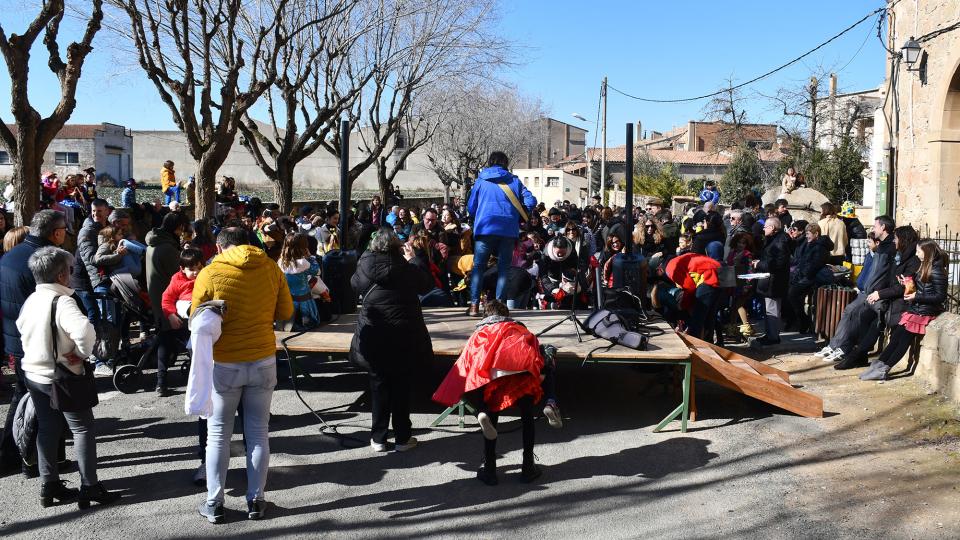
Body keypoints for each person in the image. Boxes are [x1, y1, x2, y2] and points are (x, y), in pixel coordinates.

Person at [191, 227, 293, 523]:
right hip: (262, 358)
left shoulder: (211, 273)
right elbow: (285, 310)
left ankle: (214, 502)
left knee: (218, 436)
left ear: (220, 248)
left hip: (225, 362)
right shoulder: (271, 268)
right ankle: (256, 499)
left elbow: (196, 317)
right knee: (258, 433)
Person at [18, 246, 119, 509]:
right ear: (62, 275)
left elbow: (21, 328)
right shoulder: (62, 301)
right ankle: (90, 485)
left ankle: (49, 484)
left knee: (48, 428)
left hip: (34, 373)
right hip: (62, 375)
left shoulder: (32, 299)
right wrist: (81, 353)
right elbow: (85, 331)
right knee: (83, 428)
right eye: (71, 270)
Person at [432, 299, 549, 485]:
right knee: (527, 417)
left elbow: (467, 362)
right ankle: (528, 466)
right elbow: (535, 349)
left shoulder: (480, 333)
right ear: (506, 314)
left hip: (493, 378)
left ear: (485, 316)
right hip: (521, 375)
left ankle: (490, 468)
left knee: (489, 409)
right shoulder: (518, 328)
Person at [350, 228, 433, 453]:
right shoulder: (406, 267)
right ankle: (402, 438)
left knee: (378, 387)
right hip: (404, 335)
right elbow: (427, 284)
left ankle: (378, 438)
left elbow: (354, 286)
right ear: (397, 246)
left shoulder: (365, 263)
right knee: (401, 388)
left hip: (375, 334)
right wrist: (414, 259)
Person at [0, 210, 68, 475]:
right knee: (44, 406)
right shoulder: (46, 260)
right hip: (37, 343)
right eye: (63, 229)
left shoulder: (11, 256)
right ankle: (31, 459)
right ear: (55, 232)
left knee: (23, 399)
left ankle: (16, 454)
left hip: (15, 340)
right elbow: (53, 304)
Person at [860, 239, 947, 381]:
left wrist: (916, 296)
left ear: (927, 252)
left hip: (924, 312)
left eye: (919, 251)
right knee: (895, 339)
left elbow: (940, 296)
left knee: (903, 341)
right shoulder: (924, 266)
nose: (917, 253)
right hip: (915, 309)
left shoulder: (937, 270)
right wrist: (907, 284)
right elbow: (921, 287)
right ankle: (879, 365)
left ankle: (885, 369)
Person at [817, 216, 897, 363]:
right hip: (868, 292)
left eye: (875, 226)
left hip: (877, 294)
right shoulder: (881, 249)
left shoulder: (889, 249)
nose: (873, 228)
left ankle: (845, 349)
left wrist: (877, 291)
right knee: (851, 312)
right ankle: (838, 346)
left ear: (883, 228)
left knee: (857, 316)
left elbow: (884, 274)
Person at [466, 151, 536, 317]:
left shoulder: (481, 180)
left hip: (485, 228)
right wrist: (517, 214)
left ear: (490, 162)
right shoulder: (514, 181)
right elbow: (531, 201)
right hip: (507, 231)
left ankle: (475, 305)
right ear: (506, 163)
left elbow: (471, 207)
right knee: (504, 269)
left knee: (478, 268)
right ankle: (499, 306)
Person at [147, 212, 189, 395]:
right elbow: (180, 274)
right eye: (182, 228)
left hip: (157, 298)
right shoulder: (167, 249)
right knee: (174, 338)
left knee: (166, 339)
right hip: (170, 301)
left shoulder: (153, 243)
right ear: (177, 227)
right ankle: (161, 382)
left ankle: (161, 382)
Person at [786, 223, 833, 334]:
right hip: (806, 276)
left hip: (812, 278)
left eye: (808, 234)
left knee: (792, 294)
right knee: (791, 293)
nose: (806, 236)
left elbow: (814, 265)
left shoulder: (819, 247)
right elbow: (803, 260)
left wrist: (802, 273)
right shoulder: (811, 244)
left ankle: (804, 321)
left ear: (816, 234)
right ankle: (800, 321)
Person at [751, 217, 790, 346]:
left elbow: (778, 263)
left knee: (772, 309)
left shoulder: (780, 241)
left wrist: (760, 264)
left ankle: (773, 337)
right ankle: (770, 334)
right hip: (770, 281)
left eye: (765, 227)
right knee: (769, 308)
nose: (763, 229)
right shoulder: (774, 239)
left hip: (774, 282)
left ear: (772, 228)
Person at [279, 232, 321, 330]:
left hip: (288, 301)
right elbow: (317, 271)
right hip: (303, 301)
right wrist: (310, 257)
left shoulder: (281, 262)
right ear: (304, 247)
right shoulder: (303, 263)